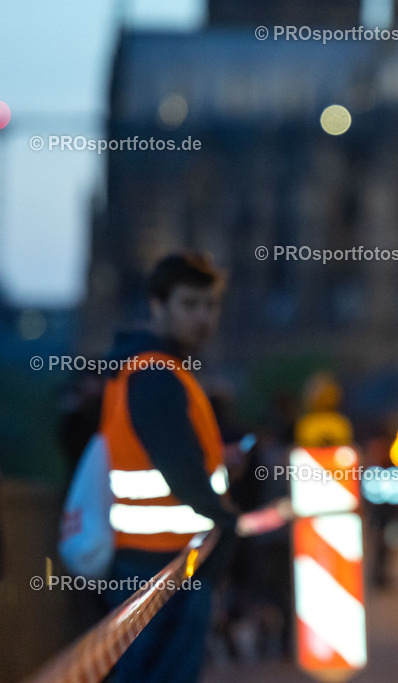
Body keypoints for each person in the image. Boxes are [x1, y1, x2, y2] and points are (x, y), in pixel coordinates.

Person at [101, 252, 237, 683]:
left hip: (156, 559)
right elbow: (179, 468)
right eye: (189, 304)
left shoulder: (152, 368)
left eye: (210, 305)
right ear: (157, 305)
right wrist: (227, 521)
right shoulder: (156, 373)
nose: (203, 317)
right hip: (161, 565)